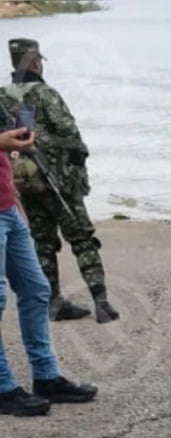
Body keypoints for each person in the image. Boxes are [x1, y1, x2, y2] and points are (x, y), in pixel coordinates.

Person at [2, 38, 117, 323]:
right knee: (82, 238)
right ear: (36, 62)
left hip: (22, 181)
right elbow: (71, 135)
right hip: (57, 181)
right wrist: (78, 169)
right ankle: (101, 303)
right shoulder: (46, 94)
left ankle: (54, 301)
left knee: (42, 241)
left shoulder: (1, 95)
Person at [0, 126, 97, 416]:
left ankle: (46, 377)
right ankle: (3, 388)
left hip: (7, 208)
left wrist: (15, 202)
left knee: (36, 289)